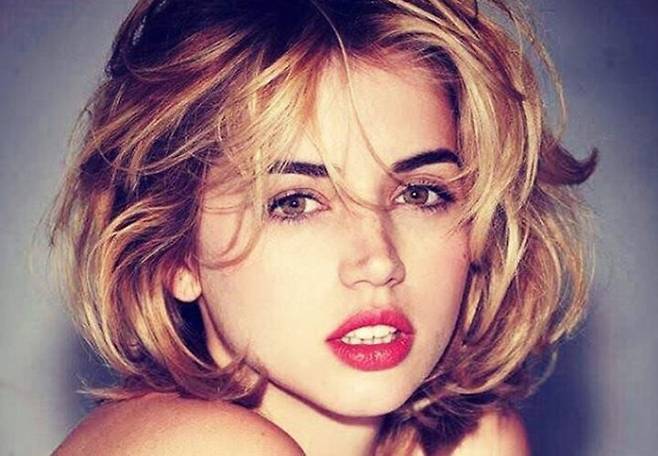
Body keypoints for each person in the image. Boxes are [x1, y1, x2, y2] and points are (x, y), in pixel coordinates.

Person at [50, 0, 596, 454]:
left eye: (419, 193)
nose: (379, 261)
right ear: (175, 255)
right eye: (295, 202)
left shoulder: (473, 444)